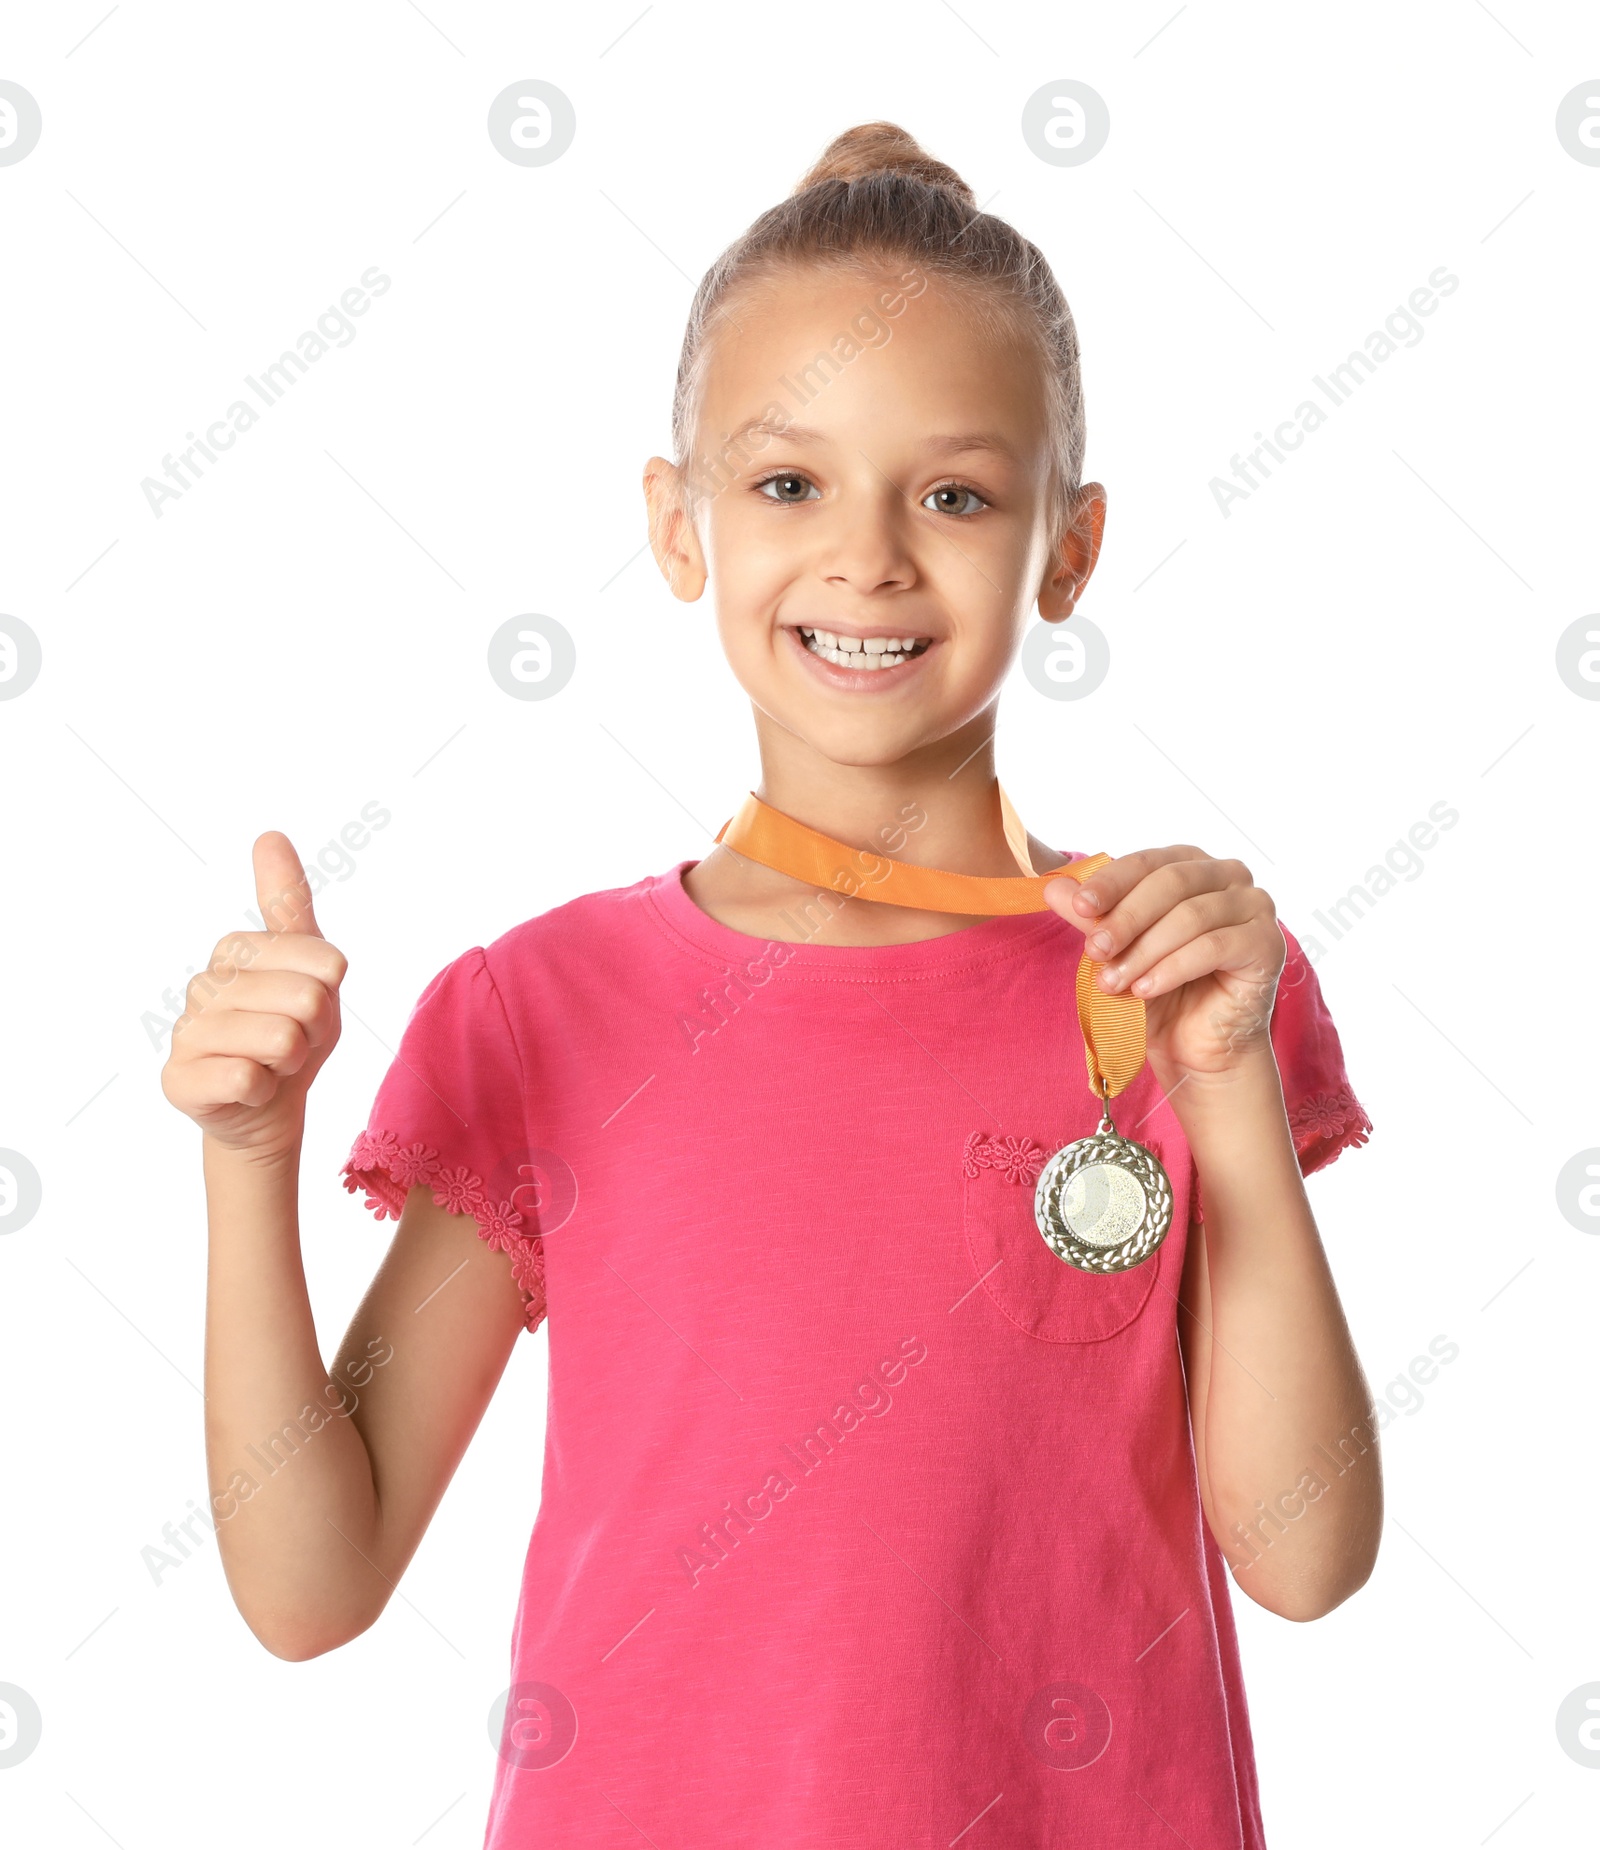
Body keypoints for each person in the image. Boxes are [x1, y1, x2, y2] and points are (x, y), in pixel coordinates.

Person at [163, 120, 1379, 1849]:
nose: (869, 557)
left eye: (955, 492)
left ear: (1070, 545)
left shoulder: (1180, 983)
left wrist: (1230, 1091)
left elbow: (1308, 1558)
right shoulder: (544, 1008)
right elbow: (312, 1582)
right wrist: (246, 1156)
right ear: (678, 525)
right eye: (787, 482)